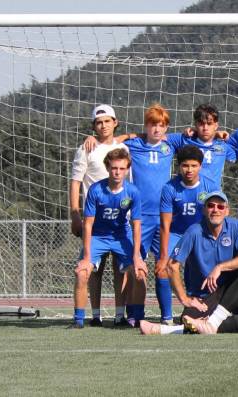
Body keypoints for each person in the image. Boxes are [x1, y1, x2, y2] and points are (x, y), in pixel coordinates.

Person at [72, 148, 147, 328]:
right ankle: (79, 320)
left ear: (127, 169)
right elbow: (88, 224)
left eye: (121, 168)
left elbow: (136, 225)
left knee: (139, 273)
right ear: (107, 167)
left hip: (121, 235)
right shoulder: (96, 190)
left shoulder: (133, 192)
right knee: (82, 273)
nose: (117, 172)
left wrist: (137, 256)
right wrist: (87, 257)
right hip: (98, 235)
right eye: (114, 168)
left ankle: (135, 318)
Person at [68, 104, 129, 326]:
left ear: (115, 122)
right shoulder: (86, 148)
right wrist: (75, 213)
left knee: (121, 269)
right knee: (92, 270)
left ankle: (120, 315)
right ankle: (94, 316)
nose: (103, 125)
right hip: (94, 221)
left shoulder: (124, 148)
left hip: (121, 220)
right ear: (94, 126)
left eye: (107, 121)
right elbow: (75, 182)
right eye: (98, 122)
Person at [163, 191, 238, 327]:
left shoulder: (235, 227)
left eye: (220, 207)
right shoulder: (193, 232)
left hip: (231, 291)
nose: (215, 210)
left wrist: (219, 267)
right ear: (204, 210)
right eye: (211, 206)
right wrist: (184, 299)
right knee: (189, 322)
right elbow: (172, 266)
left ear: (227, 211)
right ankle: (220, 318)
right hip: (204, 296)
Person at [122, 104, 176, 324]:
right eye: (152, 125)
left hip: (165, 216)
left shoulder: (172, 144)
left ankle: (167, 316)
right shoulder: (134, 145)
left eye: (161, 125)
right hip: (140, 217)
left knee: (163, 265)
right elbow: (112, 142)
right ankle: (135, 315)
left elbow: (196, 137)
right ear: (146, 126)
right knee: (138, 266)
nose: (156, 129)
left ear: (166, 128)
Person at [156, 146, 217, 325]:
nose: (189, 170)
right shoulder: (169, 188)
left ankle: (205, 311)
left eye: (193, 166)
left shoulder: (210, 186)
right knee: (163, 270)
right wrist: (162, 255)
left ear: (200, 166)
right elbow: (165, 224)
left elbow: (216, 217)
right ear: (178, 166)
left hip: (200, 234)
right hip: (177, 233)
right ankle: (166, 317)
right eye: (185, 166)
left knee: (206, 272)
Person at [167, 104, 238, 188]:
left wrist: (227, 138)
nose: (205, 128)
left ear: (216, 125)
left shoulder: (223, 146)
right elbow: (161, 137)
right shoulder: (185, 140)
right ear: (195, 125)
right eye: (201, 124)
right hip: (187, 194)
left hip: (212, 196)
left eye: (209, 124)